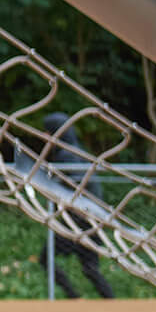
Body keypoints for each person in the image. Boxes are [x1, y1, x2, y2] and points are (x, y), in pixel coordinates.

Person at [42, 111, 116, 299]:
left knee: (46, 259)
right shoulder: (74, 150)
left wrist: (50, 186)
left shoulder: (68, 154)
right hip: (87, 219)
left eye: (48, 132)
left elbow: (75, 182)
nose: (45, 137)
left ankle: (73, 296)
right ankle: (108, 299)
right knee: (89, 267)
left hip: (78, 220)